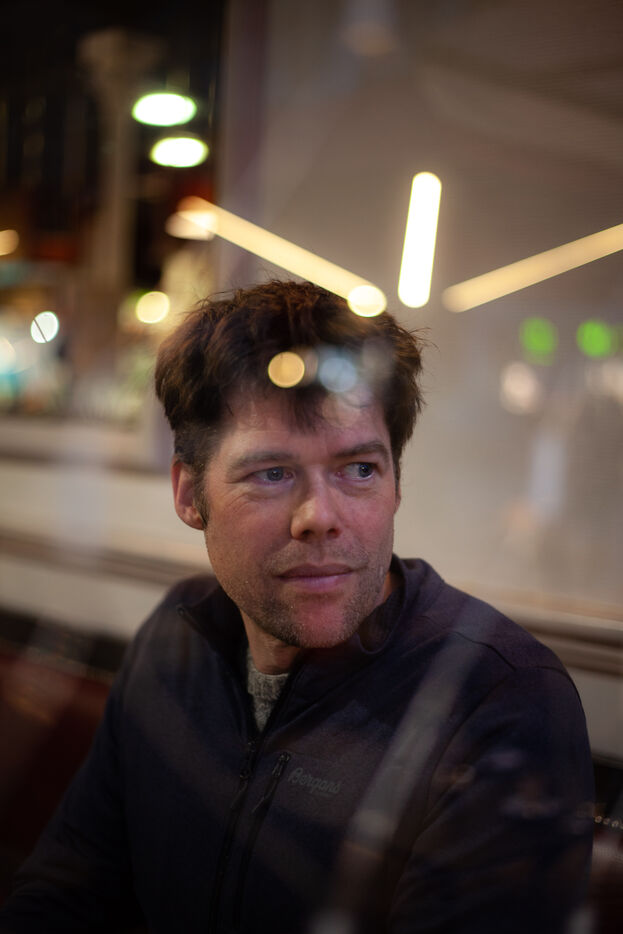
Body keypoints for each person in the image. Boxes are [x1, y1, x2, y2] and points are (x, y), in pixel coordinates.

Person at [0, 280, 594, 933]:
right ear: (190, 494)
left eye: (359, 469)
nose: (320, 516)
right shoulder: (177, 635)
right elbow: (70, 885)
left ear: (396, 484)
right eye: (272, 473)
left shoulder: (500, 699)